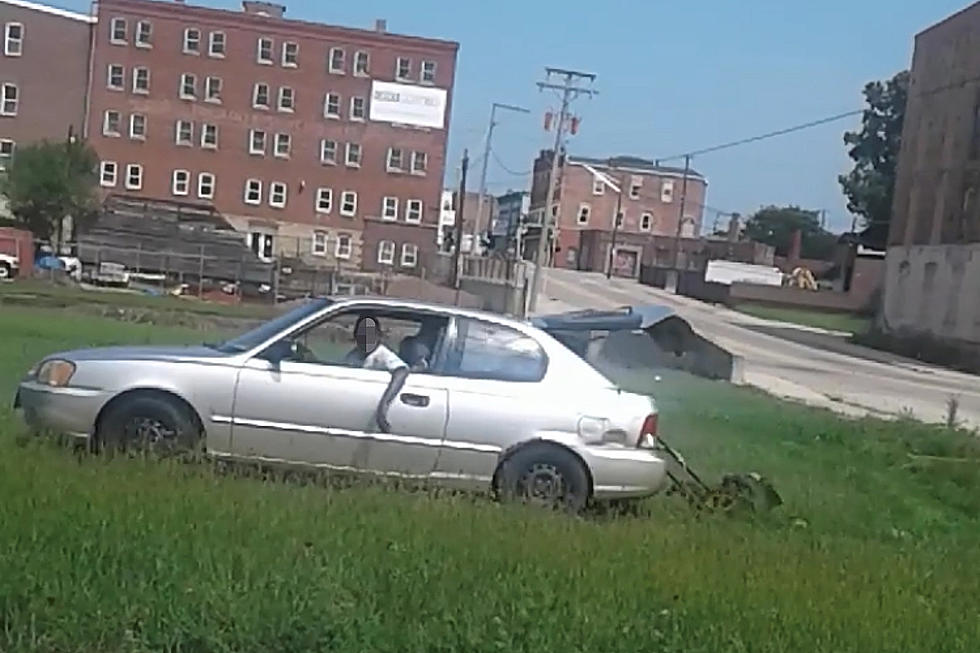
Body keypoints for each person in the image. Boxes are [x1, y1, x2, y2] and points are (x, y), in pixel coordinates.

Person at [344, 315, 409, 434]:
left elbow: (401, 371)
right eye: (362, 334)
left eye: (370, 334)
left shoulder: (382, 354)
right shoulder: (354, 355)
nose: (365, 338)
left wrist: (383, 406)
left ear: (378, 336)